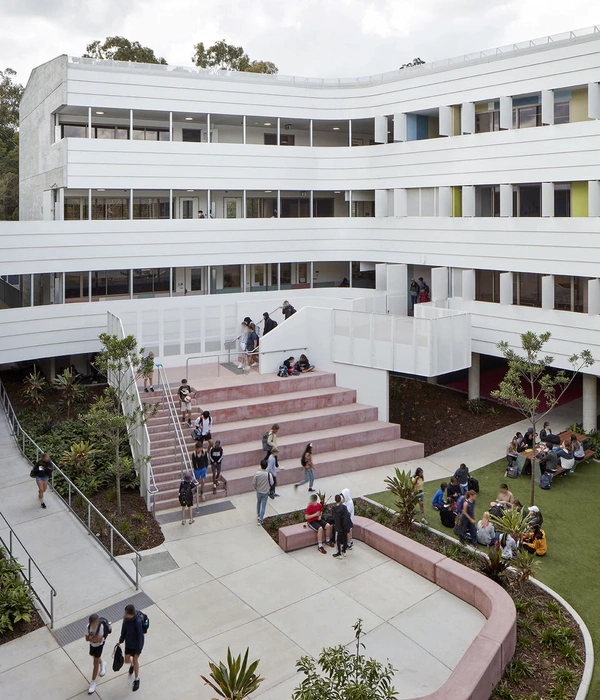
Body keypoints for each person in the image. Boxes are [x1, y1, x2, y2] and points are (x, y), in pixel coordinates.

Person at [117, 604, 144, 692]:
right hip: (128, 644)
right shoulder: (126, 620)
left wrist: (138, 650)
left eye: (125, 613)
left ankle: (137, 679)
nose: (124, 614)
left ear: (130, 613)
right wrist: (121, 640)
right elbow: (123, 630)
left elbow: (141, 637)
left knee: (135, 660)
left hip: (136, 645)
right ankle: (132, 664)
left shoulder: (137, 622)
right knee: (126, 660)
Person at [85, 613, 108, 695]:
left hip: (99, 645)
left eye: (97, 622)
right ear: (90, 622)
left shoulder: (100, 627)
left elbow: (99, 639)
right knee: (94, 656)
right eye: (95, 623)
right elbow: (86, 639)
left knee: (95, 663)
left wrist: (92, 638)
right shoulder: (88, 627)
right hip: (92, 645)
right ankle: (102, 663)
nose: (96, 624)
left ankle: (93, 682)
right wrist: (91, 638)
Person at [332, 493, 353, 558]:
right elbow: (348, 515)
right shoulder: (344, 507)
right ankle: (344, 551)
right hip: (344, 525)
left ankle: (339, 552)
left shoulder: (334, 509)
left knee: (338, 539)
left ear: (335, 500)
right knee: (344, 538)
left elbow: (333, 517)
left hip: (338, 526)